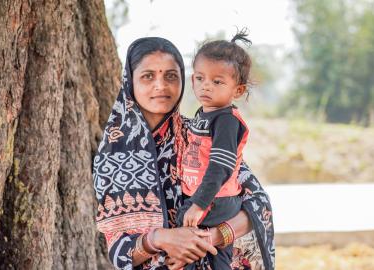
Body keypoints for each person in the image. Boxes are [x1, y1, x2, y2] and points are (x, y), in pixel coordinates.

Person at [92, 37, 274, 270]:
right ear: (130, 82)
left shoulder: (201, 134)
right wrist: (160, 239)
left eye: (170, 76)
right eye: (148, 76)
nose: (161, 85)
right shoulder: (114, 156)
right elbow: (118, 253)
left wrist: (210, 239)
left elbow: (257, 204)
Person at [176, 31, 253, 270]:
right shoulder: (205, 114)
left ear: (237, 90)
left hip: (215, 200)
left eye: (217, 82)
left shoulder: (227, 121)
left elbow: (221, 166)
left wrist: (199, 203)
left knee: (184, 229)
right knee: (220, 257)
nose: (206, 86)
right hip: (212, 198)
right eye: (200, 78)